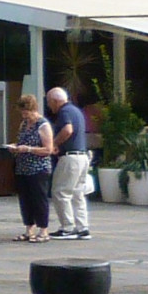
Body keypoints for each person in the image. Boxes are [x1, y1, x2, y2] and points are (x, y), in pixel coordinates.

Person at [47, 86, 93, 240]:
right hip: (82, 156)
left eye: (49, 102)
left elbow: (67, 130)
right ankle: (82, 227)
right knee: (77, 193)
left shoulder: (64, 112)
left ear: (55, 101)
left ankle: (67, 227)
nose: (49, 106)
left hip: (70, 158)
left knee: (60, 192)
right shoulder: (76, 110)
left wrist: (54, 143)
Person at [11, 95, 57, 242]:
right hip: (23, 167)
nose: (25, 116)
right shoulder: (24, 124)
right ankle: (28, 229)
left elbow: (48, 149)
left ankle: (43, 230)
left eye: (27, 113)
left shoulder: (43, 125)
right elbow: (21, 142)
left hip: (38, 168)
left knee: (39, 199)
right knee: (25, 199)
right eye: (23, 113)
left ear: (33, 110)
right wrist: (16, 148)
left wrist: (29, 149)